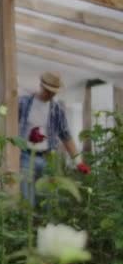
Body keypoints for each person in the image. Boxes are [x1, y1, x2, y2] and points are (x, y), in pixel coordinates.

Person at [18, 71, 90, 206]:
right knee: (27, 197)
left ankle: (45, 224)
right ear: (41, 86)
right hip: (26, 156)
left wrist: (78, 161)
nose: (51, 94)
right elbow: (9, 126)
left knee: (48, 197)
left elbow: (66, 135)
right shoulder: (23, 103)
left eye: (54, 92)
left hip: (47, 157)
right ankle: (28, 222)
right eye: (48, 91)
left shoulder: (57, 109)